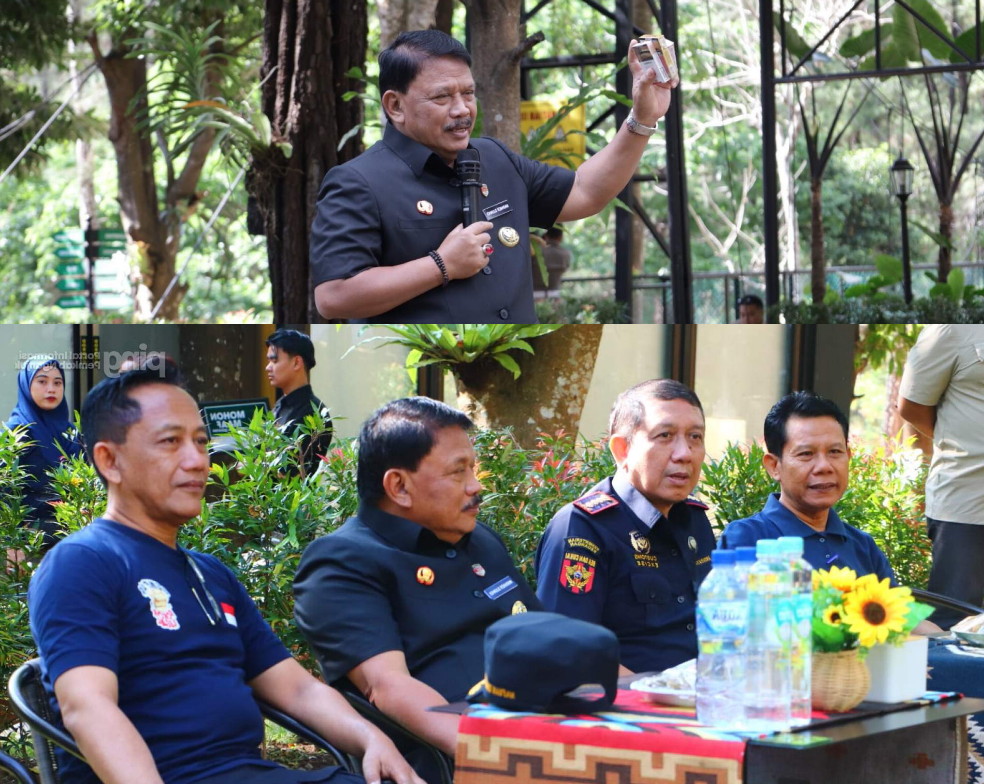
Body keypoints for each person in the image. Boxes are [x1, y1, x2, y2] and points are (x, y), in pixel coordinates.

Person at [27, 366, 423, 784]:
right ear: (110, 460)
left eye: (200, 441)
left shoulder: (209, 573)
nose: (198, 460)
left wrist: (372, 738)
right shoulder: (82, 562)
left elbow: (298, 690)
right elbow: (88, 707)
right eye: (170, 442)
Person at [309, 29, 677, 323]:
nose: (462, 109)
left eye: (468, 93)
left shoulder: (494, 158)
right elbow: (334, 296)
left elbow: (585, 191)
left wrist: (642, 119)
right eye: (442, 97)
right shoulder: (358, 181)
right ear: (395, 105)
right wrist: (440, 266)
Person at [293, 397, 540, 764]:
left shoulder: (480, 539)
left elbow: (549, 638)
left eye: (473, 468)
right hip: (458, 759)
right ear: (399, 487)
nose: (476, 486)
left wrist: (648, 699)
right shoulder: (341, 563)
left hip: (552, 723)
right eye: (458, 472)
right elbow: (387, 686)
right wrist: (502, 756)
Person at [533, 379, 715, 674]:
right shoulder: (583, 527)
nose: (685, 453)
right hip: (631, 707)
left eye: (695, 437)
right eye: (665, 435)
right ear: (622, 450)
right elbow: (568, 648)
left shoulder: (694, 518)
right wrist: (659, 694)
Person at [719, 391, 895, 581]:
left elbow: (893, 608)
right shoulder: (746, 539)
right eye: (806, 454)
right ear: (774, 466)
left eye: (835, 451)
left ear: (848, 457)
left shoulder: (863, 546)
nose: (824, 467)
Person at [898, 325, 984, 629]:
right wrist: (964, 444)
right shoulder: (951, 329)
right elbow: (912, 404)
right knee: (956, 623)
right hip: (968, 501)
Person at [5, 355, 82, 554]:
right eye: (42, 381)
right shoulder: (16, 433)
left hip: (73, 537)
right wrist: (13, 544)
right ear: (26, 385)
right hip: (29, 542)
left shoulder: (70, 432)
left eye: (58, 382)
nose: (51, 389)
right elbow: (4, 489)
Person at [265, 328, 333, 473]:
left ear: (296, 362)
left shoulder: (315, 413)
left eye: (274, 360)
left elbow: (289, 472)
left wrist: (254, 465)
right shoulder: (279, 406)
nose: (268, 367)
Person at [532, 226, 571, 298]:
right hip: (555, 294)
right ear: (561, 237)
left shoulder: (535, 251)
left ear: (546, 235)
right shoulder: (566, 254)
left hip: (534, 295)